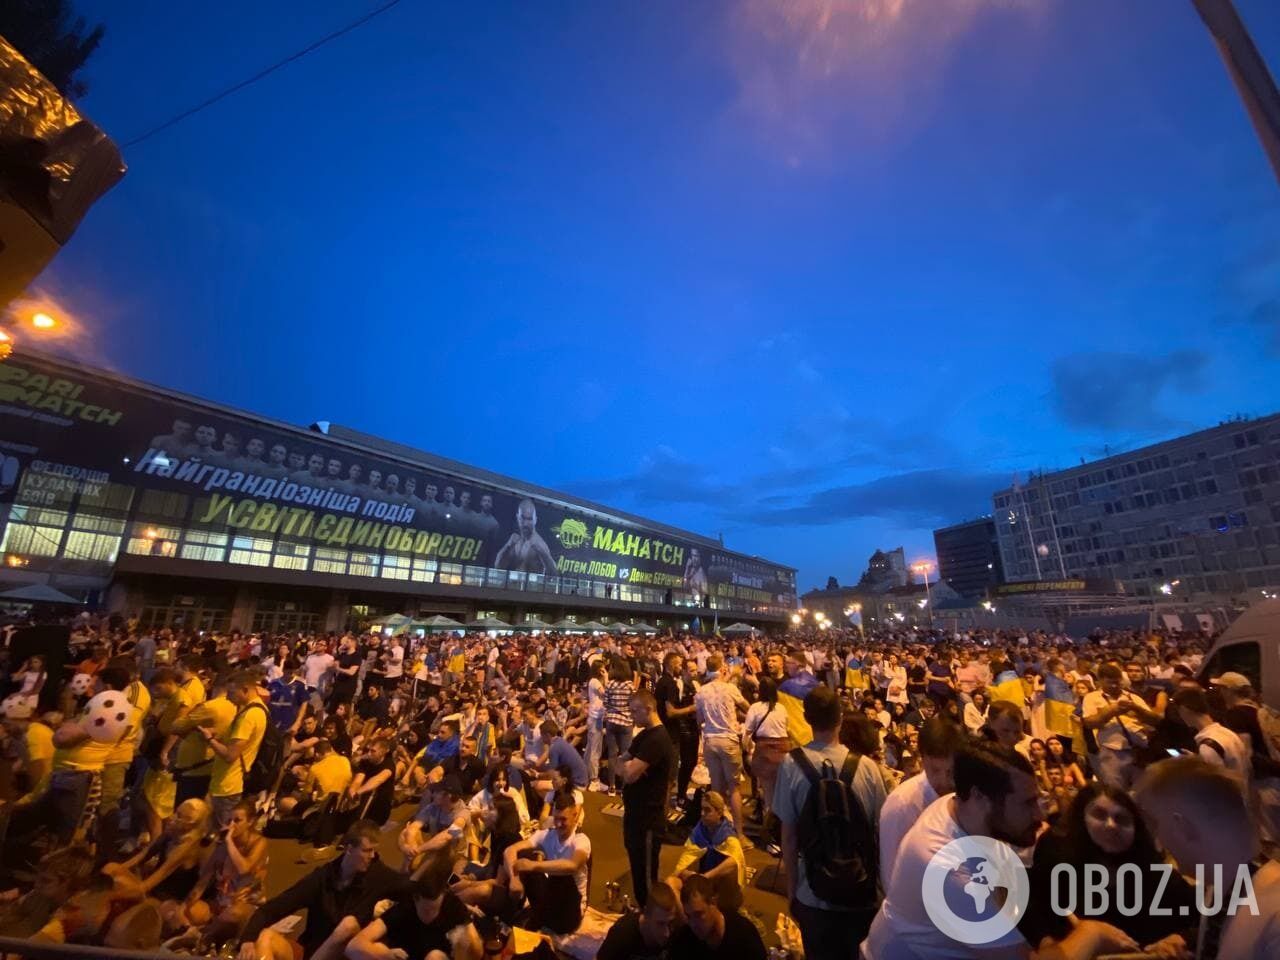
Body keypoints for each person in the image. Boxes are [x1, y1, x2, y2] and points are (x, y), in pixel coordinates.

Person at [864, 740, 1137, 959]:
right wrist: (1092, 934)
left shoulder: (960, 807)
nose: (1038, 816)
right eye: (1026, 804)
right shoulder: (949, 873)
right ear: (981, 798)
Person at [774, 683, 886, 959]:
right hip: (862, 892)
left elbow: (787, 837)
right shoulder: (868, 768)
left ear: (807, 719)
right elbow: (882, 835)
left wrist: (792, 891)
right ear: (840, 719)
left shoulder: (790, 765)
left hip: (812, 891)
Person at [1019, 782, 1194, 954]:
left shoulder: (1154, 874)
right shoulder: (1056, 855)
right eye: (1099, 815)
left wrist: (1182, 938)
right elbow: (1031, 902)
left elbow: (1205, 914)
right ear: (1081, 819)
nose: (1111, 825)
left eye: (1122, 819)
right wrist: (1046, 941)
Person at [1137, 756, 1280, 960]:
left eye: (1156, 825)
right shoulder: (1222, 888)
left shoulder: (1274, 917)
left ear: (1182, 827)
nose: (1159, 842)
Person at [237, 821, 411, 960]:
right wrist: (247, 940)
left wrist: (407, 857)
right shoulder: (322, 878)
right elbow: (272, 909)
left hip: (345, 954)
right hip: (313, 950)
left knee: (348, 924)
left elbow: (411, 891)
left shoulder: (377, 874)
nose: (372, 856)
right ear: (349, 849)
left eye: (374, 850)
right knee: (266, 936)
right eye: (367, 850)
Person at [878, 717, 964, 887]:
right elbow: (892, 875)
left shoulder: (964, 794)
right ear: (922, 759)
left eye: (950, 772)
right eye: (935, 770)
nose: (944, 781)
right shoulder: (902, 803)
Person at [346, 857, 478, 960]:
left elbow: (476, 949)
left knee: (435, 956)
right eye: (426, 910)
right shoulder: (405, 907)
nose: (430, 914)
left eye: (434, 909)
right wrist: (385, 954)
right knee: (378, 948)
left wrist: (470, 944)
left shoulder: (453, 906)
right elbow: (353, 947)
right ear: (416, 899)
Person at [616, 688, 676, 909]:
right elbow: (618, 763)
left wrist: (628, 767)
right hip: (635, 814)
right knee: (637, 867)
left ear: (649, 709)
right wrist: (627, 767)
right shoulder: (643, 735)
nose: (632, 717)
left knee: (647, 874)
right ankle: (645, 912)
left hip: (649, 818)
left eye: (635, 712)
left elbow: (629, 774)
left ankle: (652, 917)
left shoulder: (657, 739)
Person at [503, 791, 591, 934]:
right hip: (551, 901)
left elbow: (573, 865)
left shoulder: (581, 840)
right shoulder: (547, 835)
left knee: (559, 877)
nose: (558, 824)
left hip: (570, 909)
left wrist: (534, 866)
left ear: (575, 816)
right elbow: (510, 850)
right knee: (522, 853)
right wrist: (515, 880)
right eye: (556, 818)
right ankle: (513, 915)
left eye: (563, 819)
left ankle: (537, 918)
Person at [695, 654, 751, 846]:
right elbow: (748, 707)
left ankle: (716, 834)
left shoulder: (701, 692)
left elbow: (699, 720)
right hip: (728, 740)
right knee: (734, 788)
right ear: (722, 669)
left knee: (717, 790)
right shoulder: (730, 689)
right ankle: (739, 834)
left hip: (710, 741)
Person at [202, 670, 269, 827]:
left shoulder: (248, 717)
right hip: (228, 783)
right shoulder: (260, 709)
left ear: (245, 690)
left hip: (228, 785)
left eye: (232, 692)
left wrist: (209, 739)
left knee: (224, 834)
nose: (227, 697)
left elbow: (230, 755)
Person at [1082, 663, 1161, 790]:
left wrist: (1136, 709)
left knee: (1144, 792)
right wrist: (1111, 711)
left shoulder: (1132, 697)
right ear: (1100, 681)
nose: (1114, 686)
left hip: (1139, 751)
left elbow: (1155, 720)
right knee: (1117, 793)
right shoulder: (1091, 698)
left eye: (1117, 682)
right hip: (1112, 752)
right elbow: (1089, 723)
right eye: (1110, 683)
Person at [667, 790, 747, 911]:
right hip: (702, 883)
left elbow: (735, 861)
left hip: (720, 886)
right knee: (670, 882)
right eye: (702, 809)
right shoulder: (699, 831)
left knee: (729, 875)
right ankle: (687, 920)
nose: (703, 814)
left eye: (708, 810)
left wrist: (706, 876)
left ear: (719, 812)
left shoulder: (728, 836)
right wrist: (688, 874)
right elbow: (685, 861)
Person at [668, 874, 766, 960]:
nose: (693, 924)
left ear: (713, 902)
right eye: (689, 916)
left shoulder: (743, 931)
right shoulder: (686, 937)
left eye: (699, 914)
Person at [743, 674, 790, 831]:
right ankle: (784, 829)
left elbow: (747, 732)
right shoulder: (782, 708)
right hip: (784, 751)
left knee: (768, 795)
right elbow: (786, 728)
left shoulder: (755, 708)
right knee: (782, 793)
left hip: (764, 752)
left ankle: (770, 832)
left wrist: (746, 749)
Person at [1172, 686, 1250, 780]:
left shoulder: (1208, 747)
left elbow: (1216, 784)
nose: (1180, 716)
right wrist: (1198, 759)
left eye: (1179, 711)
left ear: (1185, 709)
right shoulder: (1228, 733)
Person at [654, 651, 699, 803]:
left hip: (665, 731)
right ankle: (663, 816)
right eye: (680, 664)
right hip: (671, 733)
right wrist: (692, 708)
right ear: (672, 665)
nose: (680, 667)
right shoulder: (671, 684)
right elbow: (671, 712)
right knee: (669, 777)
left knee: (666, 774)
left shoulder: (663, 681)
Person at [598, 881, 679, 960]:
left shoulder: (676, 929)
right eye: (660, 924)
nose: (667, 933)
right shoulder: (622, 934)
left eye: (670, 923)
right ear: (646, 915)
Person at [494, 498, 559, 575]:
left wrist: (542, 553)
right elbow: (498, 566)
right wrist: (508, 546)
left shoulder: (539, 543)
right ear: (518, 517)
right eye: (523, 518)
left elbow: (554, 574)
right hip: (513, 586)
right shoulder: (516, 541)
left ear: (535, 520)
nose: (525, 524)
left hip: (533, 587)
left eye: (529, 519)